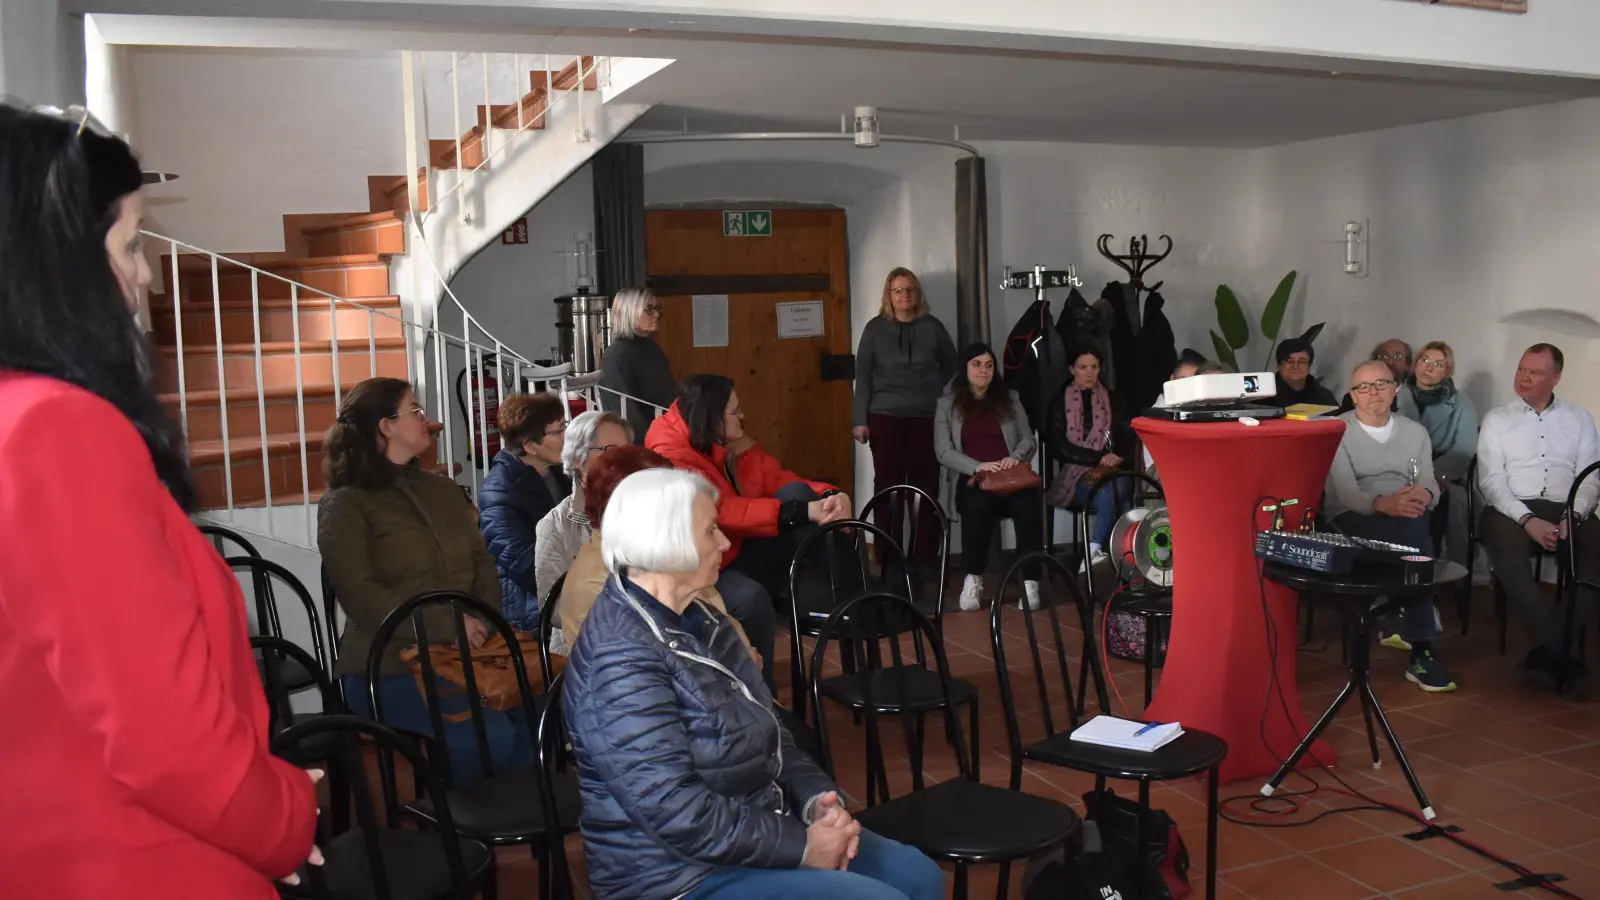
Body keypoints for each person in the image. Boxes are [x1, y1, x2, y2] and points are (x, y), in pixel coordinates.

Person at [0, 103, 318, 896]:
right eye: (131, 244)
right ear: (57, 262)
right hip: (138, 862)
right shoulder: (56, 430)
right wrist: (285, 815)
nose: (145, 274)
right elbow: (164, 739)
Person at [563, 468, 946, 900]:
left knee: (919, 876)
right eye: (711, 530)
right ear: (667, 544)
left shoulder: (702, 618)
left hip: (752, 828)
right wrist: (803, 846)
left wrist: (814, 797)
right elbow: (674, 810)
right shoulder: (619, 659)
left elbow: (769, 729)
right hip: (675, 874)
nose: (725, 544)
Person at [318, 377, 532, 784]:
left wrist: (481, 622)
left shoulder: (442, 489)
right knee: (490, 736)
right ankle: (462, 833)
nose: (426, 420)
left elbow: (482, 562)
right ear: (385, 426)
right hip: (387, 664)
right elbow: (361, 596)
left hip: (467, 652)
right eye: (414, 410)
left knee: (537, 713)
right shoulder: (345, 503)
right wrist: (447, 626)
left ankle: (508, 823)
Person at [647, 374, 847, 684]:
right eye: (735, 411)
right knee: (755, 596)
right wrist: (799, 512)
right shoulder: (673, 452)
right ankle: (857, 597)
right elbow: (721, 511)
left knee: (801, 499)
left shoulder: (718, 439)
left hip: (733, 548)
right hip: (703, 561)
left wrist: (829, 495)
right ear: (712, 417)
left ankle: (852, 597)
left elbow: (778, 479)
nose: (743, 416)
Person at [1477, 343, 1600, 695]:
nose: (1524, 378)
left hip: (1569, 506)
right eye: (1520, 369)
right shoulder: (1498, 419)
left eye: (1535, 372)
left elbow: (1591, 476)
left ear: (1556, 378)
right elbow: (1490, 482)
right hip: (1509, 508)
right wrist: (1527, 518)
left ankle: (1546, 652)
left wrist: (1572, 516)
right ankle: (1559, 652)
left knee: (1597, 554)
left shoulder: (1579, 419)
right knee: (1508, 558)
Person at [1324, 362, 1455, 692]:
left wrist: (1421, 496)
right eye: (1363, 387)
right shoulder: (1335, 431)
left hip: (1406, 513)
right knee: (1419, 544)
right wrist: (1386, 504)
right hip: (1354, 518)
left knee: (1415, 531)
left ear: (1395, 388)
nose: (1373, 393)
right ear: (1352, 396)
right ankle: (1422, 650)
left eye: (1381, 384)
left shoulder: (1414, 432)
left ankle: (1399, 618)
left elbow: (1427, 480)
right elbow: (1347, 494)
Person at [558, 444, 755, 659]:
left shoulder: (652, 556)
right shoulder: (601, 584)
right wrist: (739, 666)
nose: (723, 543)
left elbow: (714, 615)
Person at [852, 268, 958, 565]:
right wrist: (859, 419)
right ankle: (888, 557)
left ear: (917, 294)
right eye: (898, 290)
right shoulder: (874, 329)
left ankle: (924, 559)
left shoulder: (933, 327)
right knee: (888, 488)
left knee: (926, 488)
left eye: (909, 289)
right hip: (884, 416)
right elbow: (863, 377)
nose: (904, 295)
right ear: (889, 295)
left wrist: (944, 401)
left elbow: (953, 367)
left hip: (926, 416)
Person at [935, 343, 1042, 612]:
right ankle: (973, 578)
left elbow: (1028, 439)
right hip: (975, 478)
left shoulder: (1010, 399)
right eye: (977, 364)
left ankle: (1030, 582)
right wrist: (979, 466)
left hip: (1011, 477)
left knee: (1027, 506)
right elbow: (943, 451)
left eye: (989, 365)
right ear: (965, 368)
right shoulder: (947, 404)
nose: (984, 370)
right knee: (979, 508)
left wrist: (1015, 457)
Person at [532, 411, 633, 634]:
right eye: (609, 451)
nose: (622, 461)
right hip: (585, 647)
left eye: (626, 451)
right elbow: (553, 608)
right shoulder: (555, 526)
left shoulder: (645, 510)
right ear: (578, 459)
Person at [478, 392, 570, 632]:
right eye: (557, 430)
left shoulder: (560, 472)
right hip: (529, 603)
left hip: (565, 582)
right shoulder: (499, 490)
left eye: (564, 426)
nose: (566, 436)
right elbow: (524, 564)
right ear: (529, 445)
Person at [1045, 345, 1134, 571]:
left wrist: (1116, 457)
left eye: (1094, 367)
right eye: (1083, 367)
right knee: (1114, 492)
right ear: (1072, 369)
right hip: (1075, 479)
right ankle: (1120, 557)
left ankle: (1096, 551)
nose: (1089, 372)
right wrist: (1099, 458)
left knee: (1118, 485)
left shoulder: (1114, 399)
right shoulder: (1059, 401)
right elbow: (1059, 447)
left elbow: (1127, 436)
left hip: (1112, 471)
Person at [1395, 341, 1478, 565]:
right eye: (1425, 360)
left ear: (1447, 371)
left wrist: (1432, 475)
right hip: (1397, 469)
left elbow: (1464, 449)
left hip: (1442, 470)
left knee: (1447, 502)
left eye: (1438, 364)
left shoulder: (1461, 403)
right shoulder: (1394, 394)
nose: (1428, 368)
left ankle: (1444, 567)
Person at [598, 287, 677, 443]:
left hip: (664, 433)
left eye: (657, 309)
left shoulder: (652, 347)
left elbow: (669, 394)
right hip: (643, 442)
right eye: (649, 309)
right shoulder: (616, 355)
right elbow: (624, 411)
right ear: (628, 311)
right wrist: (654, 441)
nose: (656, 314)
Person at [1338, 339, 1410, 413]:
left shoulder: (1414, 401)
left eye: (1398, 357)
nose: (1390, 361)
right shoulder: (1353, 398)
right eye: (1384, 356)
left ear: (1407, 365)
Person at [1270, 338, 1338, 409]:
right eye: (1289, 361)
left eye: (1302, 362)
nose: (1295, 366)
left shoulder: (1324, 396)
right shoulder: (1266, 396)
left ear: (1309, 365)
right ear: (1279, 365)